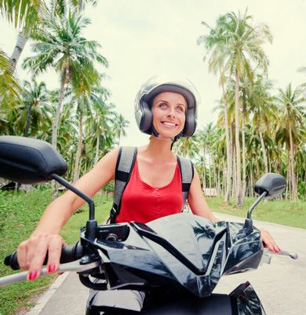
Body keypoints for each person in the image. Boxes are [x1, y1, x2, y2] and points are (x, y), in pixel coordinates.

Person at [17, 75, 281, 284]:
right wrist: (44, 234)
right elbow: (71, 199)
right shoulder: (122, 158)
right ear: (147, 112)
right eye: (163, 106)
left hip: (176, 270)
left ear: (186, 119)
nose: (172, 114)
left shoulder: (187, 169)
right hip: (120, 268)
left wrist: (250, 231)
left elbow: (208, 220)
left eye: (180, 109)